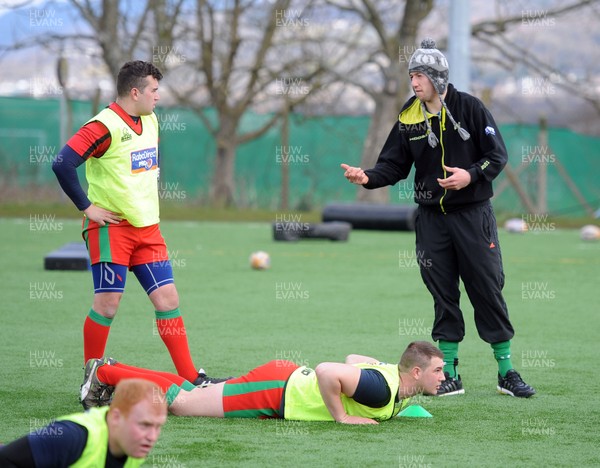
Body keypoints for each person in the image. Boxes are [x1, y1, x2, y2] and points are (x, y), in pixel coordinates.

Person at [341, 38, 535, 398]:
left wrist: (470, 176)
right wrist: (367, 176)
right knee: (443, 294)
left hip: (473, 216)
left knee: (487, 289)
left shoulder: (471, 108)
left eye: (421, 76)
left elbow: (498, 155)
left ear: (439, 79)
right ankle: (450, 375)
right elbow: (394, 164)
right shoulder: (409, 115)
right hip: (431, 220)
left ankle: (506, 372)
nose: (414, 82)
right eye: (412, 75)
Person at [52, 60, 222, 386]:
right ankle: (93, 378)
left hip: (148, 230)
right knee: (108, 303)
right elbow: (62, 163)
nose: (158, 96)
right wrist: (86, 207)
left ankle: (190, 377)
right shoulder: (103, 126)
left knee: (168, 300)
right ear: (135, 92)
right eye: (154, 90)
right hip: (112, 228)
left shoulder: (151, 119)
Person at [79, 341, 445, 425]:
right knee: (182, 405)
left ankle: (113, 368)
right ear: (415, 373)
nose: (444, 378)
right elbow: (328, 370)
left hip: (281, 378)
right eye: (438, 371)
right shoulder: (380, 389)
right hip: (276, 391)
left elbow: (353, 361)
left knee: (194, 393)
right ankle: (105, 375)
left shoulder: (394, 383)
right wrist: (341, 417)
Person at [0, 379, 167, 467]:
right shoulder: (71, 437)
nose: (152, 436)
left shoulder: (133, 448)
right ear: (116, 417)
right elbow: (5, 459)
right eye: (144, 425)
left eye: (158, 426)